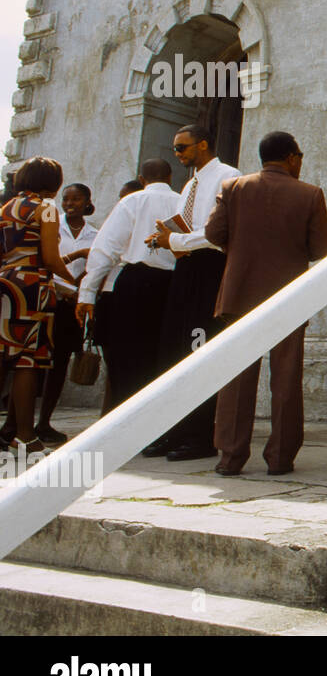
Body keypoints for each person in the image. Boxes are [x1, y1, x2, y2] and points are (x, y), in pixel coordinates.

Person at [207, 132, 327, 476]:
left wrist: (241, 248)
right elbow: (320, 249)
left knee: (236, 381)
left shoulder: (233, 188)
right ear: (292, 157)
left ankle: (230, 457)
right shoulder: (310, 194)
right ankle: (280, 459)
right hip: (288, 297)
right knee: (286, 380)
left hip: (239, 296)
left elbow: (213, 234)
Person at [144, 124, 241, 460]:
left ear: (203, 144)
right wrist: (167, 237)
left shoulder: (229, 176)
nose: (178, 154)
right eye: (174, 149)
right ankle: (176, 430)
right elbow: (187, 227)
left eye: (183, 147)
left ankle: (201, 436)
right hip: (185, 268)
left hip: (209, 271)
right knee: (175, 350)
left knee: (201, 348)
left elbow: (219, 232)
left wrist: (178, 240)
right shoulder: (189, 185)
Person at [76, 160, 179, 412]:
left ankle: (128, 412)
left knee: (127, 352)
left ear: (142, 180)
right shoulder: (182, 201)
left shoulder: (132, 201)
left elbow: (105, 249)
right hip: (172, 283)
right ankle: (158, 415)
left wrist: (87, 293)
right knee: (163, 352)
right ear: (170, 176)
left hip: (134, 282)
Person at [0, 157, 76, 457]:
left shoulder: (5, 209)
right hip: (32, 287)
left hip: (6, 283)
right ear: (53, 183)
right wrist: (76, 285)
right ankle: (25, 436)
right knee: (27, 361)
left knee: (4, 355)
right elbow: (51, 257)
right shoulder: (45, 208)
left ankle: (14, 432)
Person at [37, 184, 98, 445]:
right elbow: (46, 261)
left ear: (87, 202)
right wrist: (63, 285)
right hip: (47, 299)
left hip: (72, 305)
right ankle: (20, 422)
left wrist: (81, 290)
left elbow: (95, 267)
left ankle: (44, 422)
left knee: (60, 363)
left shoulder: (95, 233)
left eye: (76, 199)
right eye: (66, 199)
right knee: (34, 361)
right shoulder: (52, 225)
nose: (70, 203)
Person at [93, 180, 144, 417]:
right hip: (110, 292)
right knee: (113, 356)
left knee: (124, 357)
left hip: (123, 292)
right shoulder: (117, 221)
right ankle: (109, 411)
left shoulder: (142, 222)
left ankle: (117, 411)